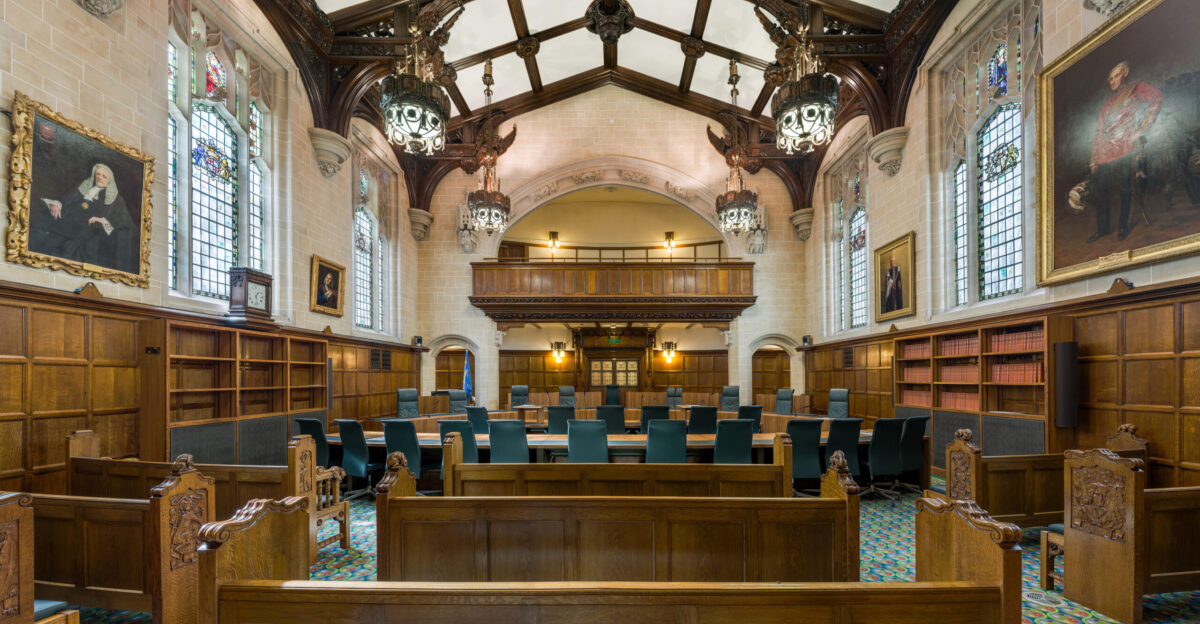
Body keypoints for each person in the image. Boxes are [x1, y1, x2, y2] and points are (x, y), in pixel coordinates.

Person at [1086, 61, 1163, 242]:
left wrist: (1142, 129)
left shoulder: (1136, 89)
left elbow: (1157, 98)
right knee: (1100, 191)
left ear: (1126, 73)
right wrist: (1094, 159)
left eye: (1116, 76)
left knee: (1124, 189)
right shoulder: (1106, 106)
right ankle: (1103, 229)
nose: (1112, 81)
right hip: (1104, 154)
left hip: (1125, 149)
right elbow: (1099, 133)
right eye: (1110, 79)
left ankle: (1123, 225)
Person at [30, 163, 136, 272]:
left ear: (109, 180)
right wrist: (57, 204)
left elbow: (124, 220)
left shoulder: (117, 200)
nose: (100, 177)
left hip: (91, 234)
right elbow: (68, 200)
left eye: (104, 176)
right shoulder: (84, 188)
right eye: (98, 174)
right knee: (44, 234)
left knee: (74, 249)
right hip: (69, 227)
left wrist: (102, 221)